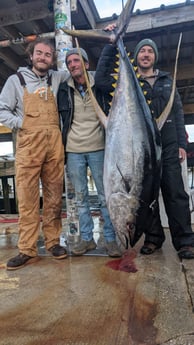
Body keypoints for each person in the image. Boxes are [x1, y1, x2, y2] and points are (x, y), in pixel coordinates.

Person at [95, 28, 194, 259]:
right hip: (141, 149)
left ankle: (185, 241)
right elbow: (99, 80)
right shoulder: (129, 80)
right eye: (142, 51)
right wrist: (112, 45)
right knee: (145, 196)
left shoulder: (166, 80)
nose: (146, 54)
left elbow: (177, 113)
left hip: (167, 146)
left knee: (175, 193)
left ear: (154, 57)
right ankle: (153, 239)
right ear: (137, 56)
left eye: (150, 51)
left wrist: (182, 143)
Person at [0, 38, 69, 270]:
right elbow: (2, 110)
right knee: (28, 200)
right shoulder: (16, 80)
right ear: (31, 56)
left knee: (53, 197)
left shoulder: (56, 78)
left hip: (54, 147)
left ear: (52, 59)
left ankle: (53, 243)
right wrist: (22, 124)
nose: (43, 57)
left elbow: (81, 70)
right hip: (28, 147)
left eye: (48, 54)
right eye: (39, 53)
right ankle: (27, 249)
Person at [57, 47, 121, 257]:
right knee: (81, 198)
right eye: (69, 63)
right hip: (74, 150)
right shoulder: (63, 89)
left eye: (76, 61)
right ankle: (87, 239)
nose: (73, 65)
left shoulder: (100, 86)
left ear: (86, 63)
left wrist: (110, 45)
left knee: (105, 196)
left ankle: (110, 240)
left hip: (100, 149)